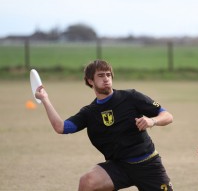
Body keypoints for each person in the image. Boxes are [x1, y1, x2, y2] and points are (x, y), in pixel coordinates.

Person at [35, 59, 174, 191]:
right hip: (119, 166)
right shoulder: (89, 112)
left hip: (148, 164)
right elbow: (61, 127)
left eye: (108, 75)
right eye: (101, 75)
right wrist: (45, 99)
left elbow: (167, 116)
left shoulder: (131, 96)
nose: (106, 78)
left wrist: (152, 121)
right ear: (90, 81)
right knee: (87, 181)